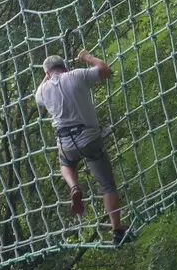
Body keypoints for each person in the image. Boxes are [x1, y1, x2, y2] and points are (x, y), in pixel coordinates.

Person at [34, 50, 128, 245]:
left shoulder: (42, 91)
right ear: (64, 67)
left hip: (66, 142)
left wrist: (46, 77)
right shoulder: (76, 75)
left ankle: (74, 186)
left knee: (66, 164)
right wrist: (86, 57)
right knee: (107, 185)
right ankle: (117, 231)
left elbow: (38, 93)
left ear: (47, 73)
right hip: (89, 138)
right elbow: (104, 70)